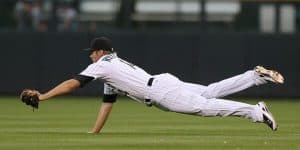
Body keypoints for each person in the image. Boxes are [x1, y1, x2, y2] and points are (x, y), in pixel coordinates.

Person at [33, 37, 284, 133]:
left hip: (160, 91)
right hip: (163, 82)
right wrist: (95, 132)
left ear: (100, 52)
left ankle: (255, 111)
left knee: (206, 106)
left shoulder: (102, 65)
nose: (90, 56)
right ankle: (255, 76)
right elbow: (107, 103)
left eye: (92, 52)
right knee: (210, 91)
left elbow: (73, 84)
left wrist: (43, 96)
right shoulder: (113, 66)